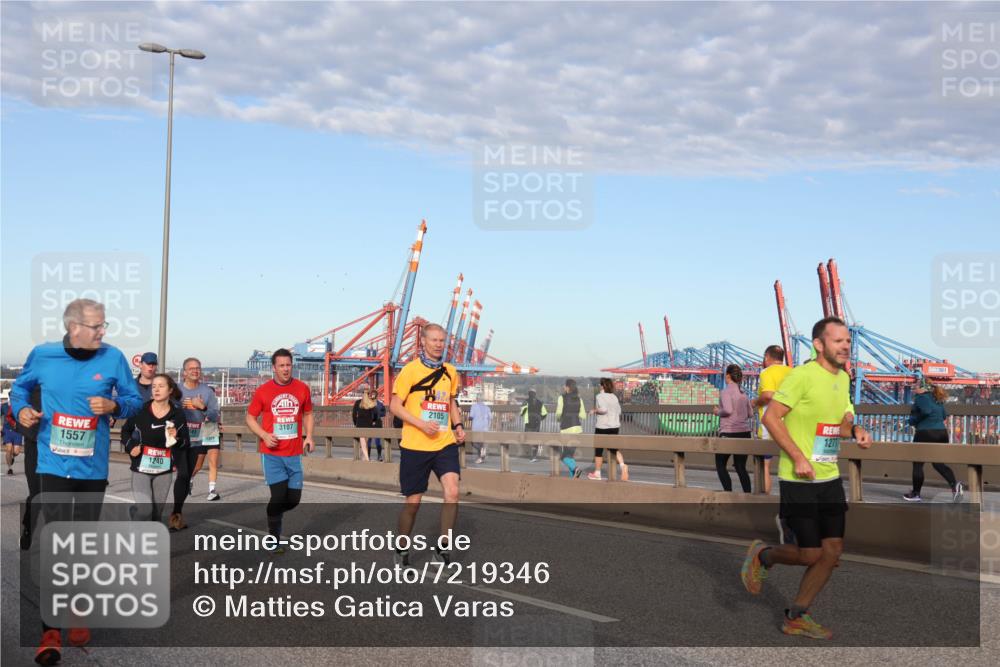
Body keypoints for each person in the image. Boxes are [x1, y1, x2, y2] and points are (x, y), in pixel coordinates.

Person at [10, 298, 142, 665]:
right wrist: (21, 409)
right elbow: (19, 390)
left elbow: (134, 401)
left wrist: (115, 407)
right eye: (97, 325)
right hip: (53, 464)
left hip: (92, 469)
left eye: (104, 325)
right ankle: (49, 633)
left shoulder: (113, 357)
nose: (103, 331)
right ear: (74, 328)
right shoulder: (44, 355)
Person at [741, 316, 873, 640]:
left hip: (828, 475)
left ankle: (796, 616)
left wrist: (854, 429)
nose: (845, 345)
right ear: (818, 344)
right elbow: (771, 417)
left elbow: (837, 424)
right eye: (837, 340)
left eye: (847, 341)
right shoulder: (801, 376)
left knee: (833, 552)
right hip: (798, 478)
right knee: (811, 553)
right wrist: (798, 456)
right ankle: (763, 556)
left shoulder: (842, 379)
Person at [389, 324, 465, 567]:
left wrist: (459, 425)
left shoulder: (451, 372)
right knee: (413, 503)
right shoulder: (410, 371)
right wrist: (421, 424)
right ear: (423, 341)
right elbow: (395, 406)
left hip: (444, 443)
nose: (438, 344)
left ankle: (442, 549)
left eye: (442, 340)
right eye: (434, 340)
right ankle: (401, 547)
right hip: (415, 445)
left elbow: (450, 402)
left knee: (452, 492)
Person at [246, 349, 315, 551]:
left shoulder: (302, 388)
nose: (286, 369)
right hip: (272, 454)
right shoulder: (263, 391)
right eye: (281, 365)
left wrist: (309, 436)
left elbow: (308, 414)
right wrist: (264, 435)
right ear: (274, 368)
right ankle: (274, 537)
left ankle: (273, 513)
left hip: (294, 454)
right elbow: (250, 418)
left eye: (288, 365)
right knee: (278, 496)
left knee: (293, 500)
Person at [126, 374, 190, 522]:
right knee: (145, 509)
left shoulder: (177, 414)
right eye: (154, 386)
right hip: (141, 466)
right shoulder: (140, 410)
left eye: (161, 386)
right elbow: (125, 431)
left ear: (170, 390)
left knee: (156, 515)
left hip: (164, 469)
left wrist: (176, 438)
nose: (156, 389)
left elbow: (185, 442)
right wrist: (131, 446)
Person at [169, 357, 221, 529]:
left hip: (198, 440)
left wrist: (203, 408)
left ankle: (178, 511)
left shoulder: (207, 392)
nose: (195, 371)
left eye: (198, 368)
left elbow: (214, 415)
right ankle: (175, 514)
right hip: (178, 440)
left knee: (186, 476)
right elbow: (166, 410)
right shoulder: (176, 391)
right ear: (184, 372)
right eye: (191, 368)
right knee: (183, 475)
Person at [903, 382, 962, 502]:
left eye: (916, 386)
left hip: (926, 433)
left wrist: (913, 420)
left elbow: (926, 411)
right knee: (938, 463)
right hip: (941, 433)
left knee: (918, 464)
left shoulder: (921, 398)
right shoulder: (937, 398)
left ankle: (916, 494)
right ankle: (955, 486)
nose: (915, 388)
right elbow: (944, 416)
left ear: (923, 388)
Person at [753, 345, 791, 495]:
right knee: (790, 463)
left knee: (766, 466)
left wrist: (755, 402)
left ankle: (765, 498)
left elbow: (768, 395)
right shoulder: (792, 372)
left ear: (767, 357)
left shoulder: (766, 372)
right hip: (790, 424)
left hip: (770, 426)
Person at [713, 365, 753, 493]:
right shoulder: (743, 394)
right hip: (745, 433)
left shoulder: (725, 392)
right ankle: (747, 496)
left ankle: (728, 493)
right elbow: (750, 414)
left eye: (725, 374)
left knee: (720, 464)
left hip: (729, 433)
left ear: (728, 376)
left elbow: (728, 410)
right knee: (741, 466)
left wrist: (717, 411)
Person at [119, 351, 159, 453]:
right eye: (148, 364)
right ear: (140, 365)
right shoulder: (130, 386)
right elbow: (120, 406)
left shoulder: (163, 386)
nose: (151, 367)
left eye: (153, 364)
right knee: (137, 468)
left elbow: (174, 406)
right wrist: (112, 418)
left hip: (158, 437)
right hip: (135, 437)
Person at [588, 378, 626, 480]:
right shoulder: (614, 397)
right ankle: (623, 466)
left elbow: (603, 410)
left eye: (600, 385)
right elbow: (619, 412)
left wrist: (594, 410)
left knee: (599, 451)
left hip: (603, 427)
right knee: (614, 449)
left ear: (602, 386)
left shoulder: (600, 396)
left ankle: (597, 473)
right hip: (615, 427)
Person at [556, 379, 586, 477]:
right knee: (570, 455)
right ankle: (573, 477)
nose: (563, 387)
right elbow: (583, 416)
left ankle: (575, 469)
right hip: (577, 429)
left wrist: (558, 419)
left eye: (564, 386)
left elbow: (559, 413)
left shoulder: (562, 398)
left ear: (568, 387)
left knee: (563, 456)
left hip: (566, 429)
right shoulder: (579, 399)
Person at [351, 389, 378, 462]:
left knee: (363, 444)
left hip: (360, 424)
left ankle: (367, 459)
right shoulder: (371, 402)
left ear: (363, 394)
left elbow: (354, 414)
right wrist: (373, 421)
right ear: (368, 394)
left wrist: (355, 423)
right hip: (369, 424)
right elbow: (376, 413)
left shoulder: (358, 402)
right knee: (365, 442)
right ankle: (364, 458)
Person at [521, 389, 548, 462]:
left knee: (527, 437)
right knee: (536, 438)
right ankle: (534, 455)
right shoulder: (540, 402)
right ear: (535, 394)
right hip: (537, 422)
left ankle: (529, 454)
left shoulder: (525, 401)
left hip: (528, 422)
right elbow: (545, 413)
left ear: (528, 394)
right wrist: (540, 418)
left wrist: (525, 415)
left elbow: (522, 412)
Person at [469, 395, 492, 464]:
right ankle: (480, 458)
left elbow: (471, 417)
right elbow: (490, 418)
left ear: (477, 399)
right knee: (481, 443)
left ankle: (481, 454)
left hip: (476, 427)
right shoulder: (487, 408)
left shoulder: (474, 406)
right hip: (485, 428)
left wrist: (469, 418)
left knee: (473, 441)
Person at [3, 399, 23, 474]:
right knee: (9, 449)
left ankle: (12, 457)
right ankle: (9, 468)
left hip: (17, 431)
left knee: (16, 452)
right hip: (7, 430)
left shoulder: (20, 405)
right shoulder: (4, 406)